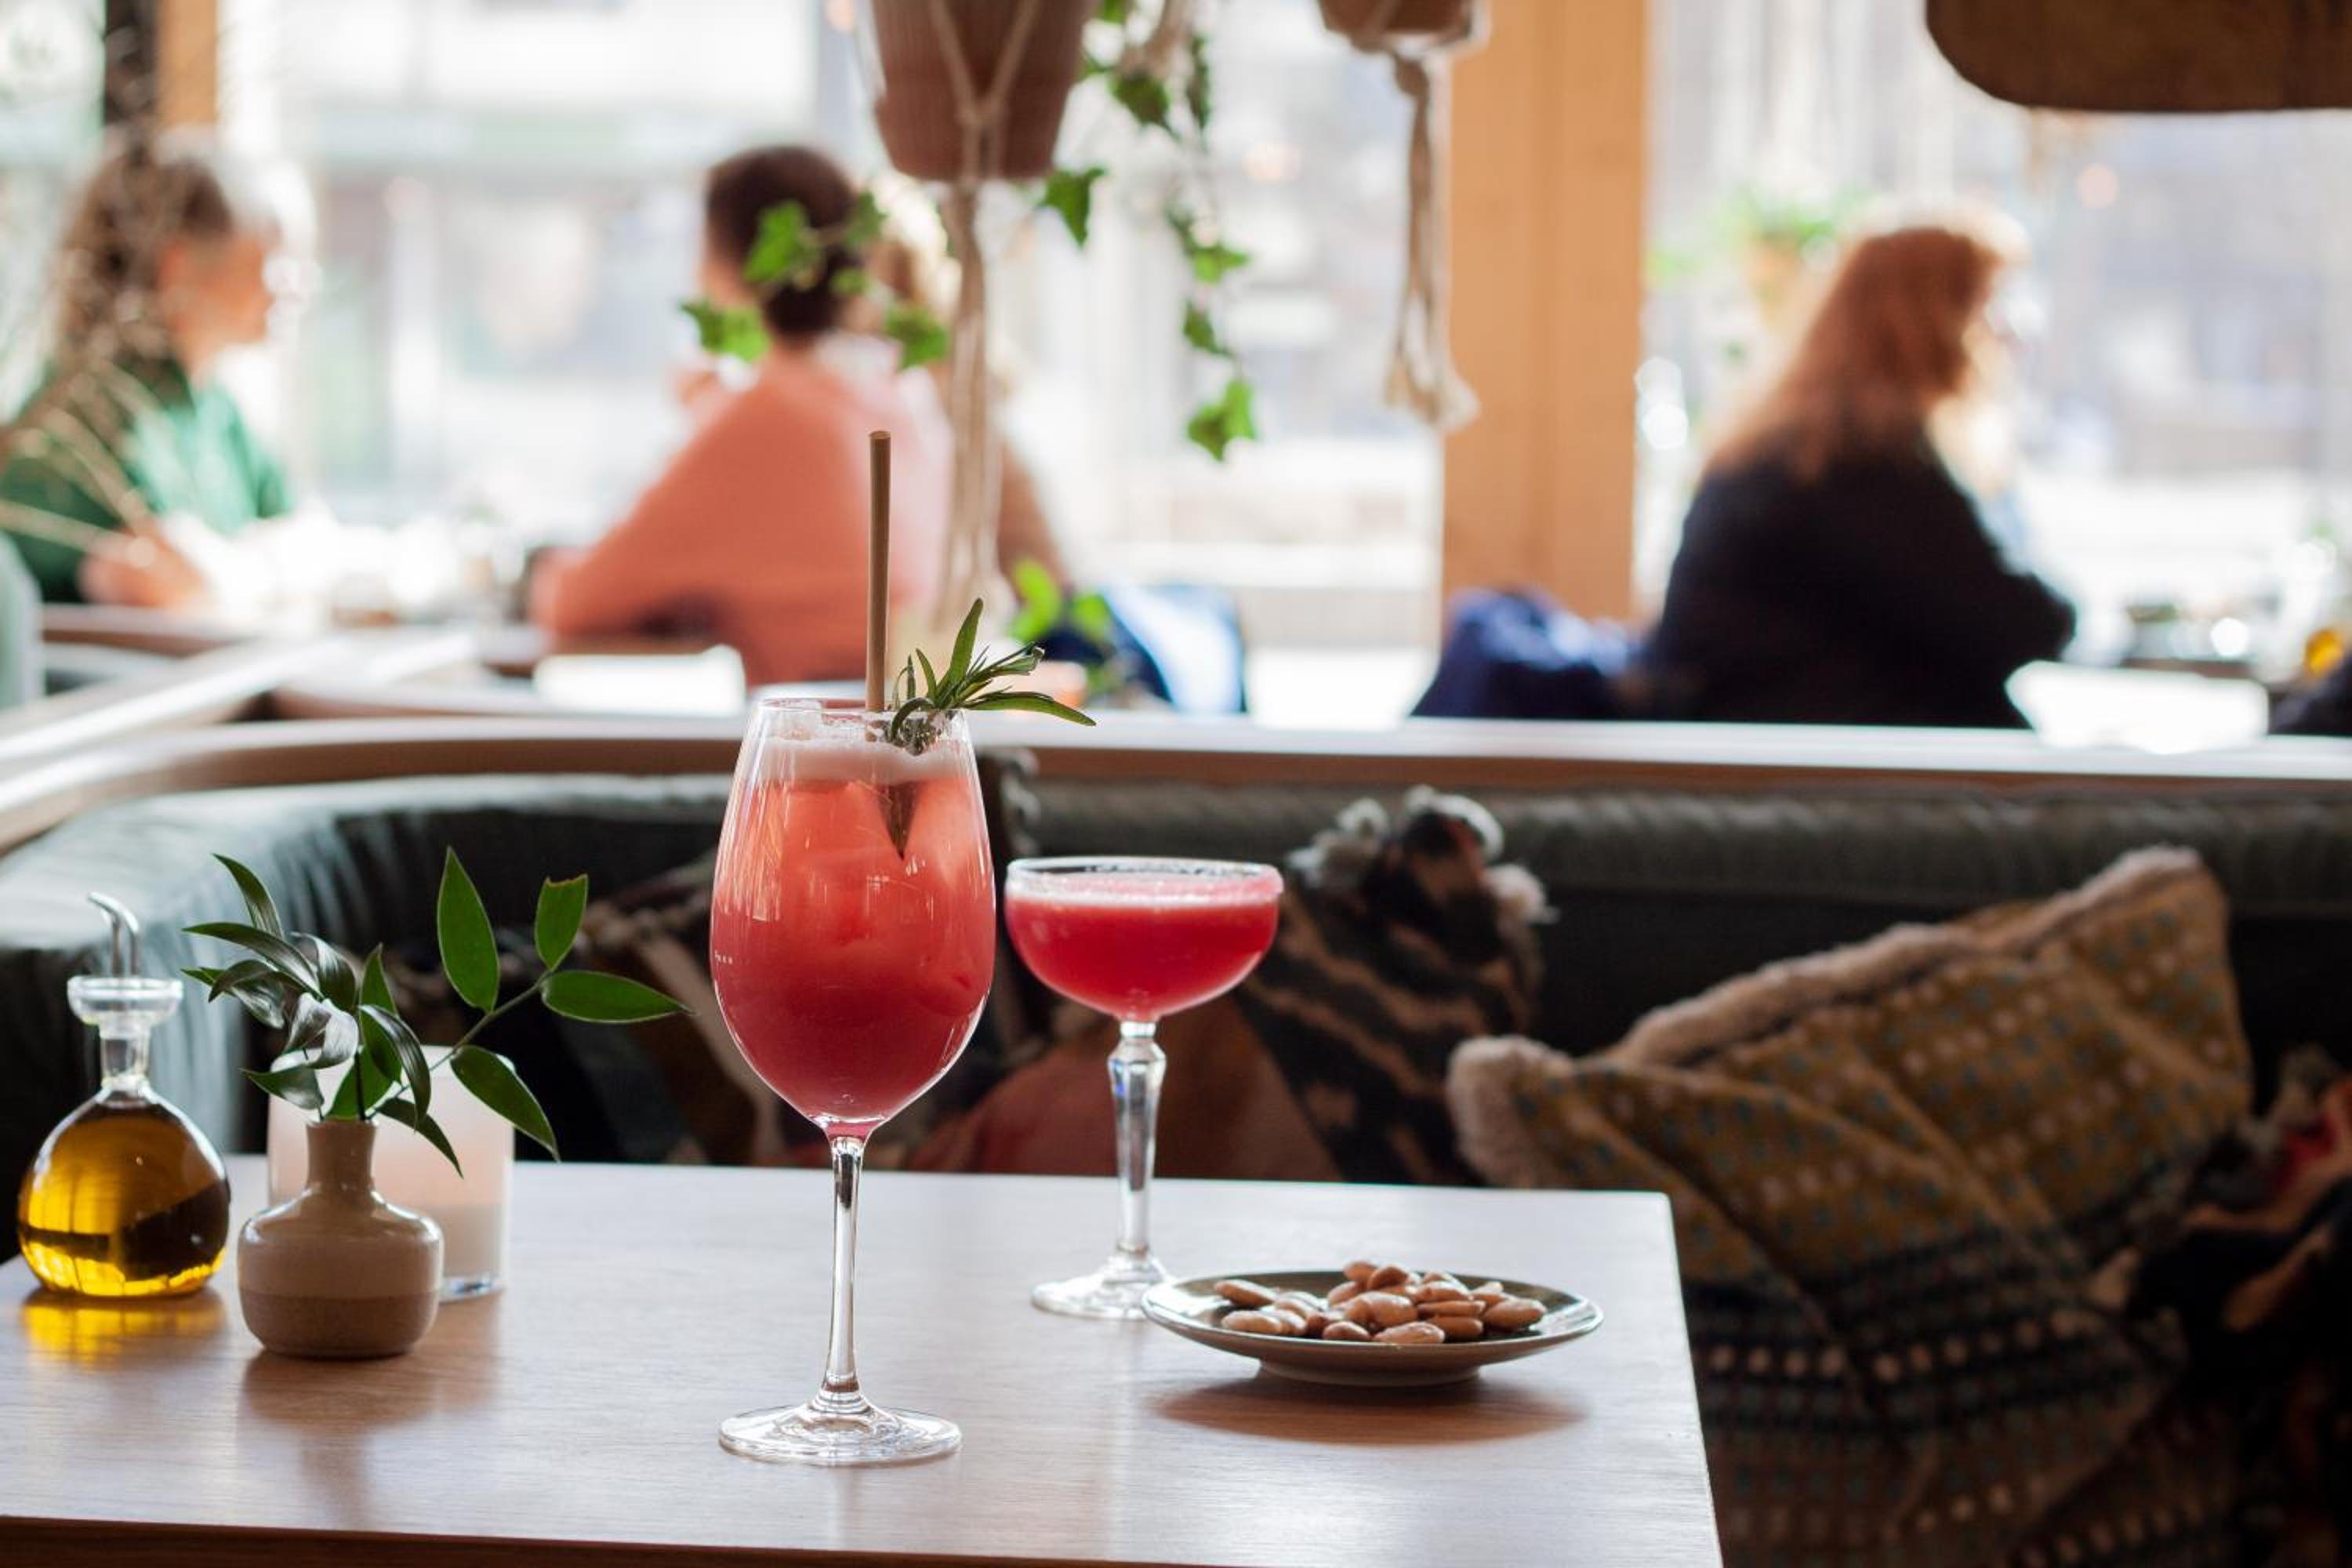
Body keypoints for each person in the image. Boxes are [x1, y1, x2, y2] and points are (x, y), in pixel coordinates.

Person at [531, 146, 950, 686]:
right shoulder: (893, 388)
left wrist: (541, 568)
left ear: (728, 268)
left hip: (822, 725)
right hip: (903, 715)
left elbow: (575, 601)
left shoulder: (767, 415)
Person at [1642, 216, 2075, 728]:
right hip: (1811, 760)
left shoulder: (1801, 450)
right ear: (1935, 324)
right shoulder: (1854, 467)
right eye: (1990, 304)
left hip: (1794, 742)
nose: (2010, 332)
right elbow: (2024, 624)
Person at [0, 134, 302, 608]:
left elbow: (305, 533)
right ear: (177, 265)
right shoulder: (85, 420)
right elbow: (168, 584)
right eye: (272, 254)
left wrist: (239, 566)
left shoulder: (210, 409)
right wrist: (266, 565)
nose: (294, 283)